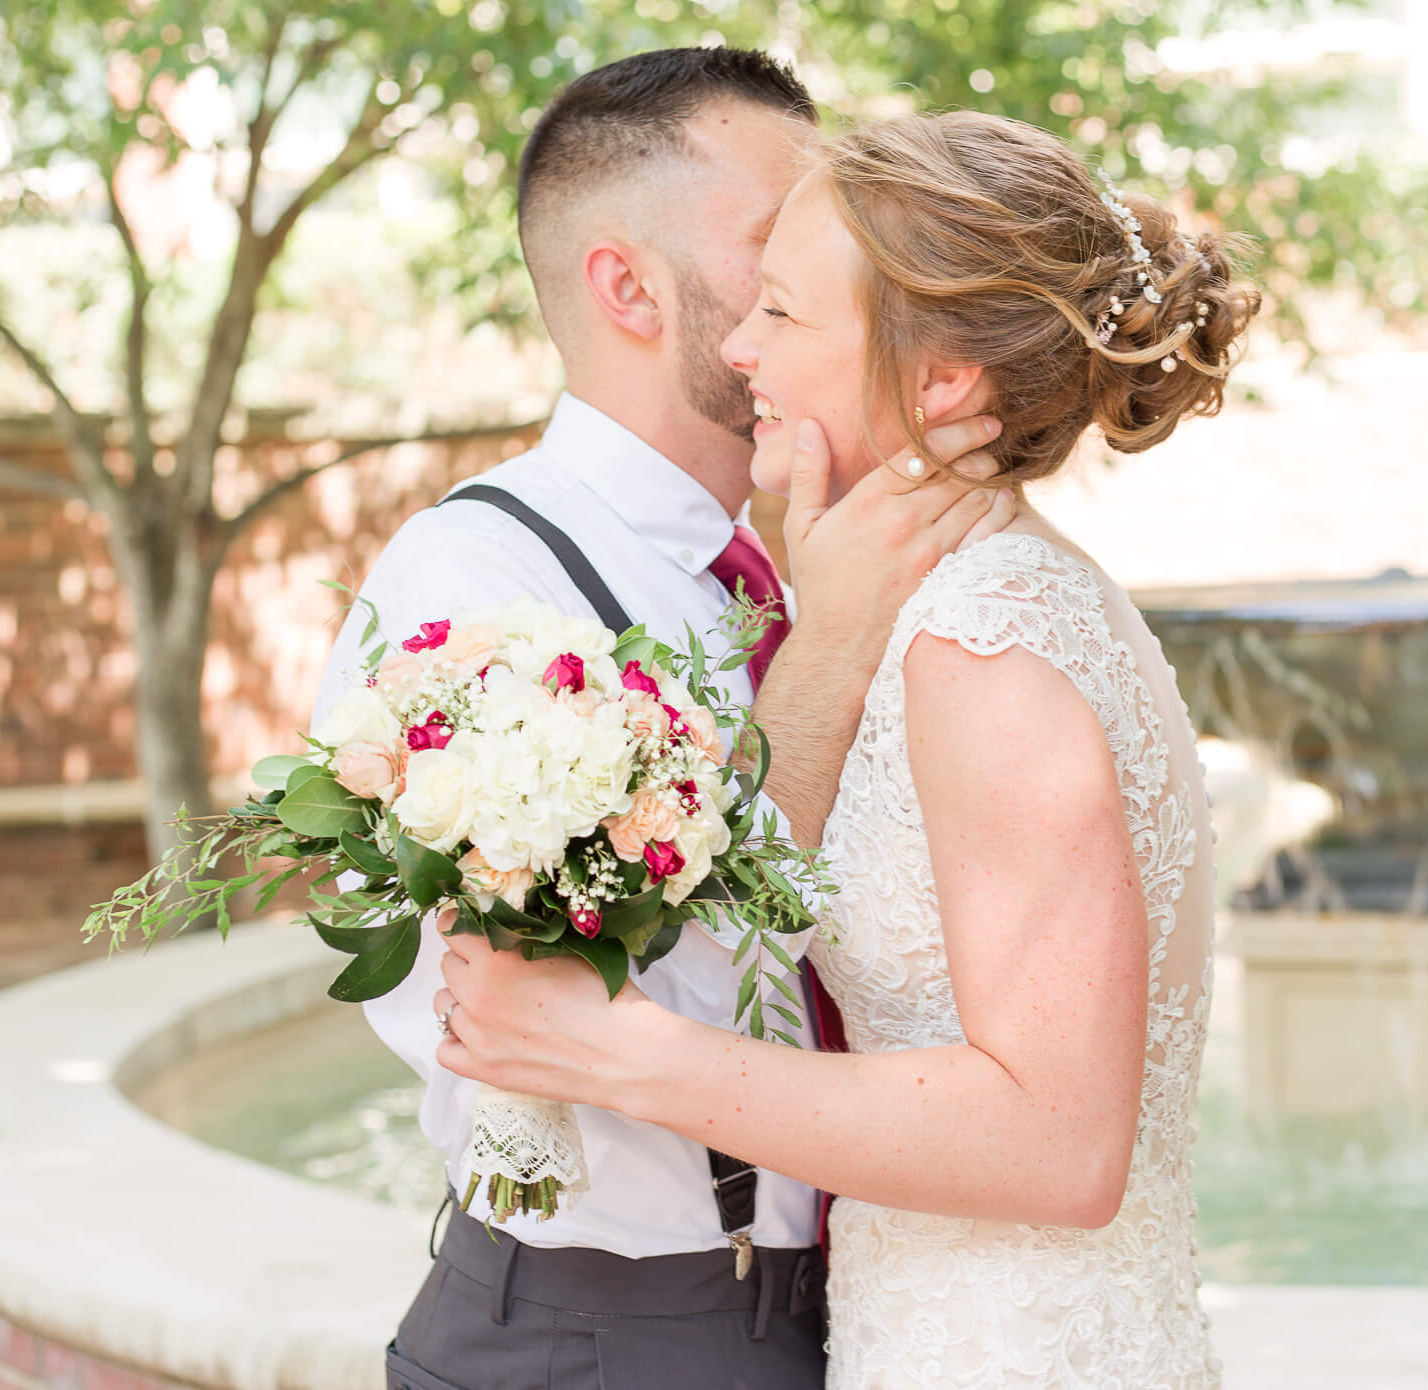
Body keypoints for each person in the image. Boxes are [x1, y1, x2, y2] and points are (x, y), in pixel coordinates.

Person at [434, 110, 1263, 1388]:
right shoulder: (972, 599)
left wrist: (629, 1056)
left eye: (784, 313)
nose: (743, 346)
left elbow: (1058, 1141)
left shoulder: (984, 640)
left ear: (941, 382)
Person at [311, 53, 1014, 1390]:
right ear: (627, 286)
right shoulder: (477, 585)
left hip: (868, 1296)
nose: (831, 270)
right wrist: (837, 641)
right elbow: (559, 1008)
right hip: (625, 1328)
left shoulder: (798, 546)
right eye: (776, 238)